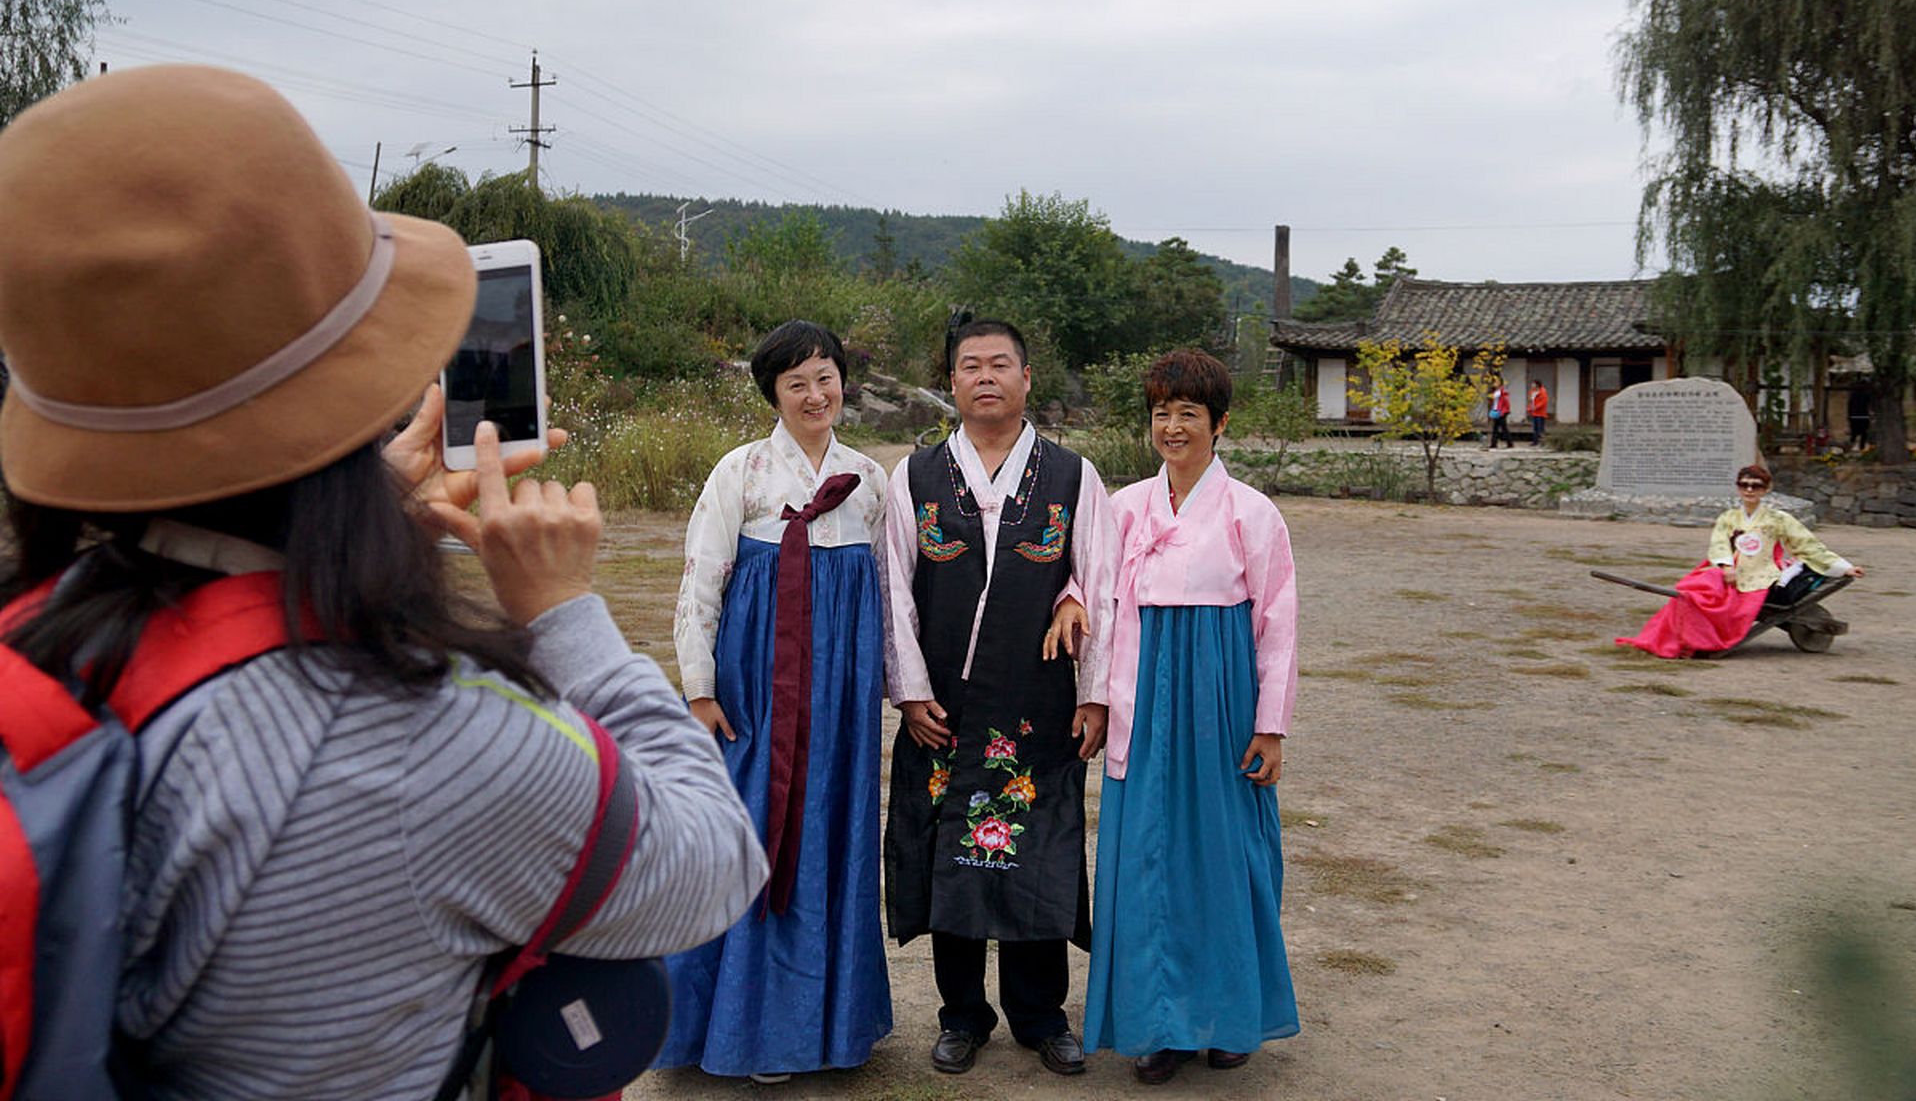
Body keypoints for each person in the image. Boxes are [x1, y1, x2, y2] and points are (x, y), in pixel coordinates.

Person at [0, 66, 766, 1100]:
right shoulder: (418, 738)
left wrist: (357, 519)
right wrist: (567, 613)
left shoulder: (43, 634)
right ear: (366, 379)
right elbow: (712, 861)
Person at [881, 318, 1117, 1078]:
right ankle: (961, 1016)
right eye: (970, 366)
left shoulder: (1072, 476)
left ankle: (1043, 1016)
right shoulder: (913, 477)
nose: (986, 376)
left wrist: (1097, 697)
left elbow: (1101, 585)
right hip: (945, 709)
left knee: (1038, 857)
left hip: (1038, 706)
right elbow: (894, 594)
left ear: (1025, 379)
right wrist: (910, 693)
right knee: (950, 856)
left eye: (1001, 364)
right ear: (951, 383)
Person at [661, 319, 893, 1082]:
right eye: (796, 382)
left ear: (841, 383)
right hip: (757, 693)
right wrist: (700, 690)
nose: (814, 394)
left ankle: (827, 1027)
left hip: (841, 699)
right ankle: (743, 1027)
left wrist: (903, 688)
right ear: (773, 393)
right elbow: (702, 583)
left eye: (824, 377)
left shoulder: (868, 481)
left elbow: (893, 598)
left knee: (831, 829)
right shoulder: (742, 473)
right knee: (750, 833)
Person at [1083, 349, 1300, 1084]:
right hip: (1142, 698)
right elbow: (1087, 585)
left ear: (1220, 423)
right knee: (1146, 855)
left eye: (1188, 414)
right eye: (1161, 413)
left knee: (1224, 852)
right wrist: (1068, 607)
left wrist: (1269, 726)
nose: (1172, 428)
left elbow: (1278, 622)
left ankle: (1230, 1015)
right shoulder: (1124, 507)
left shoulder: (1251, 513)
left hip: (1219, 698)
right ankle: (1161, 1026)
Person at [1617, 464, 1866, 658]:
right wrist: (1727, 567)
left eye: (1756, 486)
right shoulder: (1728, 517)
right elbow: (1718, 545)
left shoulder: (1778, 519)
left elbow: (1808, 545)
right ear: (1738, 487)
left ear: (1766, 489)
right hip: (1726, 571)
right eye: (1744, 485)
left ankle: (1702, 640)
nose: (1749, 490)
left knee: (1709, 598)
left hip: (1760, 576)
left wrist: (1844, 568)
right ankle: (1676, 640)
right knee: (1690, 593)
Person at [1486, 375, 1514, 448]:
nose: (1495, 383)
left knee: (1503, 428)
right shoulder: (1496, 391)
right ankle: (1494, 443)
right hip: (1496, 410)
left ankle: (1509, 443)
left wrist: (1504, 411)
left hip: (1501, 412)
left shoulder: (1502, 392)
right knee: (1495, 428)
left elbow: (1506, 403)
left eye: (1497, 382)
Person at [1528, 378, 1550, 446]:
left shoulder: (1543, 392)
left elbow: (1544, 402)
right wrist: (1529, 408)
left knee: (1540, 428)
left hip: (1540, 413)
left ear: (1537, 385)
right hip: (1534, 412)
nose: (1532, 385)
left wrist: (1536, 407)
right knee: (1535, 428)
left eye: (1533, 384)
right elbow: (1530, 401)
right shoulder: (1532, 392)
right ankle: (1535, 441)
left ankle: (1543, 442)